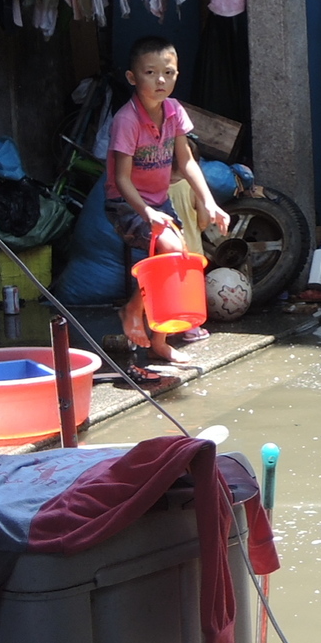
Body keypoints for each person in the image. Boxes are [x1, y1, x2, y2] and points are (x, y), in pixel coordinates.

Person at [106, 34, 228, 383]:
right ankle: (131, 309)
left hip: (158, 204)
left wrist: (208, 200)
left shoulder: (174, 112)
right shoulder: (126, 121)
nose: (161, 80)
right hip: (124, 205)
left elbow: (186, 160)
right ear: (133, 78)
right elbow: (122, 178)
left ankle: (159, 341)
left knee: (179, 259)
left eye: (168, 73)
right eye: (150, 72)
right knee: (171, 249)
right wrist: (146, 212)